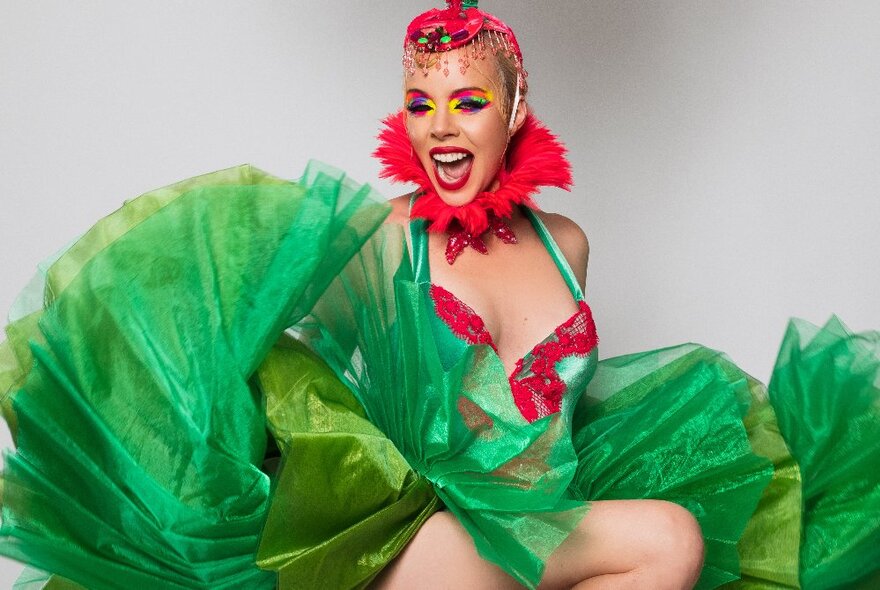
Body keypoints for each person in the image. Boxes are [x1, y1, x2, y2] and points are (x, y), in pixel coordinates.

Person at [0, 2, 877, 589]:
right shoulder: (382, 239)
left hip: (540, 522)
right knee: (671, 538)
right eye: (421, 105)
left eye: (467, 101)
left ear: (516, 106)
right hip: (419, 539)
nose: (443, 126)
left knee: (681, 535)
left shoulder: (568, 244)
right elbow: (226, 302)